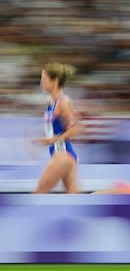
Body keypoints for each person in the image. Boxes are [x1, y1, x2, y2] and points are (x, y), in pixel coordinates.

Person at [35, 63, 83, 193]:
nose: (41, 83)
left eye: (44, 79)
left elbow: (76, 129)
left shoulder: (63, 102)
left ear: (55, 81)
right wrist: (46, 139)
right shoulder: (51, 102)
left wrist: (53, 140)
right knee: (76, 201)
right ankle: (122, 193)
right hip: (60, 155)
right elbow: (55, 127)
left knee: (37, 196)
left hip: (63, 156)